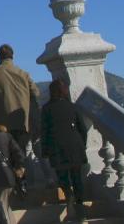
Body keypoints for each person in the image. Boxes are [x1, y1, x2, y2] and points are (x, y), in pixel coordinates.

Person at [41, 79, 88, 219]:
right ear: (64, 91)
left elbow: (45, 132)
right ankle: (80, 209)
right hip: (75, 146)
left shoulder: (47, 109)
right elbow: (83, 129)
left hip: (57, 148)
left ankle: (68, 195)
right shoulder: (72, 106)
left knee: (62, 178)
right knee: (77, 178)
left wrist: (45, 150)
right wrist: (82, 145)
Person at [0, 44, 39, 155]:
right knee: (21, 154)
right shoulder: (24, 74)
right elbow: (36, 92)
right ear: (12, 56)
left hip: (1, 123)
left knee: (5, 155)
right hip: (22, 122)